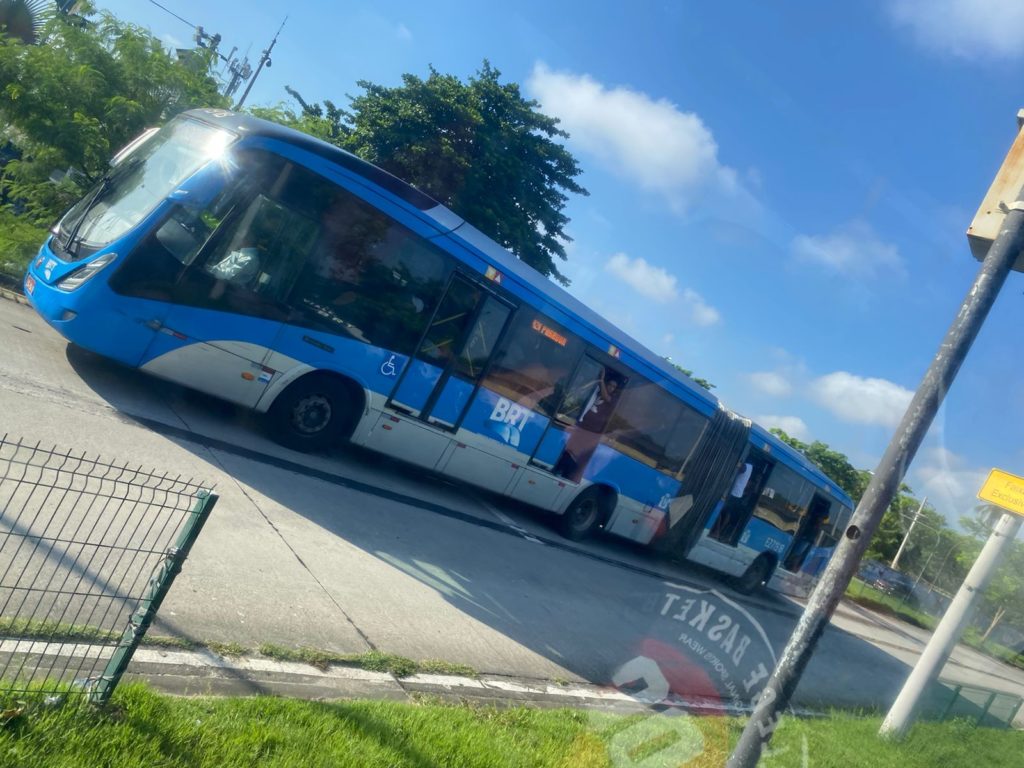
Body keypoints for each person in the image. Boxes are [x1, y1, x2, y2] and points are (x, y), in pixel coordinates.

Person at [553, 369, 623, 482]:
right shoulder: (596, 393)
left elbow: (606, 397)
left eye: (613, 386)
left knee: (574, 454)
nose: (610, 387)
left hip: (590, 434)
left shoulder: (613, 400)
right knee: (568, 450)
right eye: (609, 384)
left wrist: (601, 380)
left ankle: (567, 474)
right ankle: (560, 470)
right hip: (580, 428)